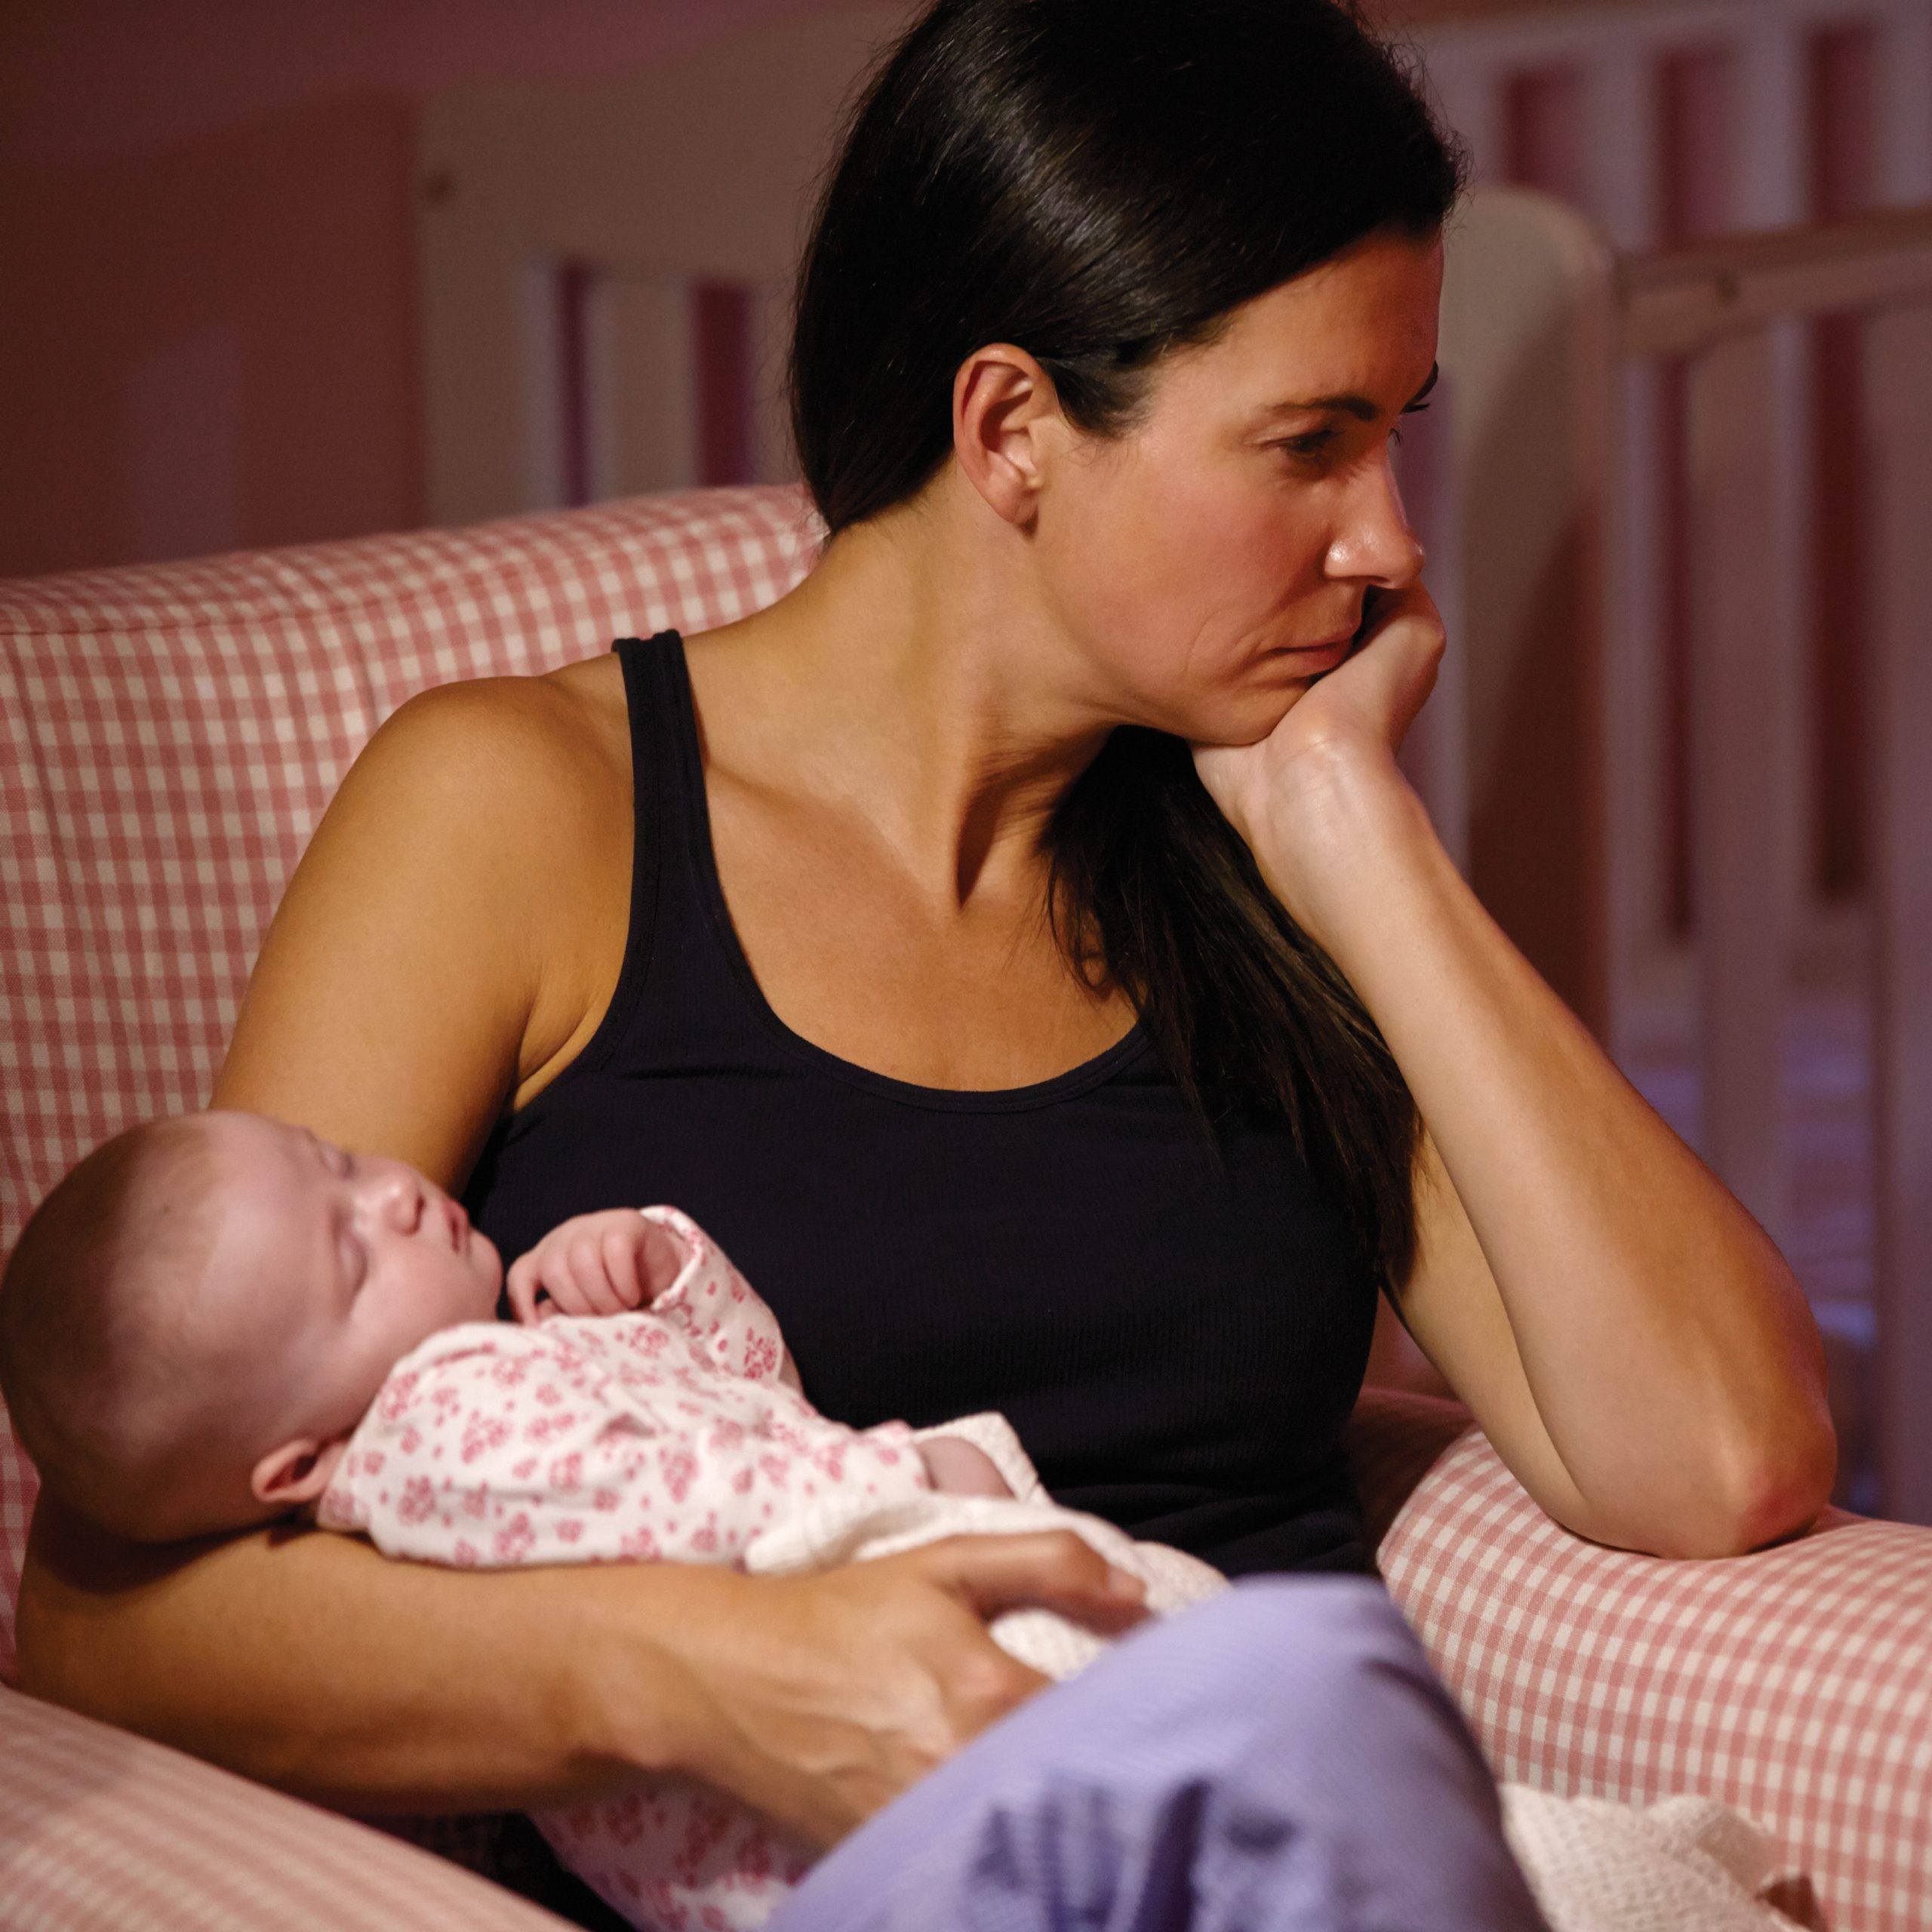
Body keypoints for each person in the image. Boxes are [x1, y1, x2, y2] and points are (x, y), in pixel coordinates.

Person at [14, 2, 1833, 1926]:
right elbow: (114, 1614)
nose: (1384, 543)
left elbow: (1714, 1455)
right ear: (1010, 427)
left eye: (1398, 434)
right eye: (1307, 443)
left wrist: (1354, 838)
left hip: (1286, 1829)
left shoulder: (1259, 853)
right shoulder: (519, 813)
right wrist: (697, 1679)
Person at [0, 1108, 1219, 1930]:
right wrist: (905, 1480)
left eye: (344, 1167)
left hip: (875, 1618)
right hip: (840, 1714)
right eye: (353, 1263)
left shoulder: (505, 1364)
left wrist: (664, 1277)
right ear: (300, 1464)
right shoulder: (434, 1433)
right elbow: (676, 1520)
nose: (398, 1203)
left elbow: (757, 1397)